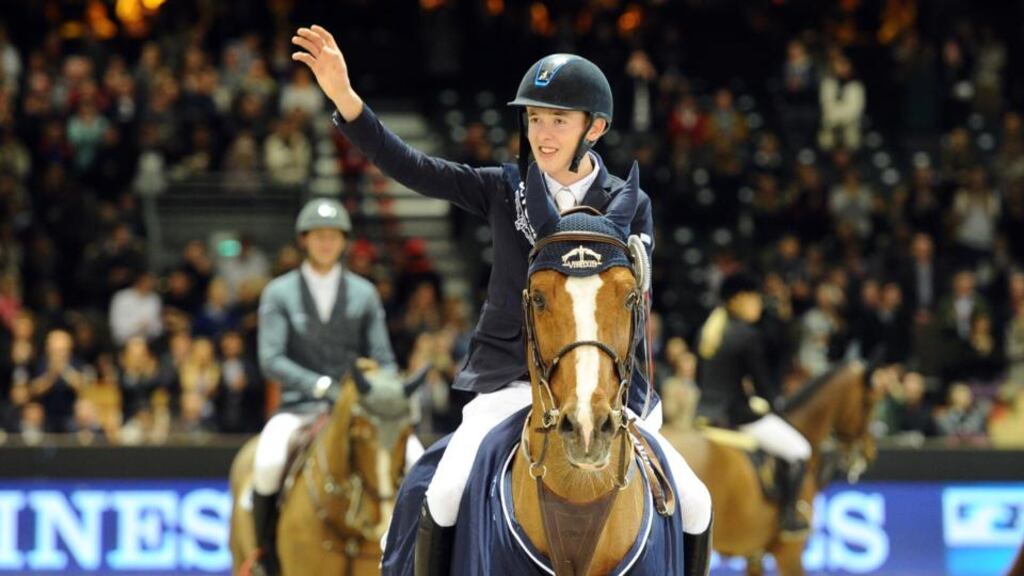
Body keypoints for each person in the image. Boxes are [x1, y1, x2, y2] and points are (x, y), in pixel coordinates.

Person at [290, 25, 712, 574]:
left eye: (558, 120)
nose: (542, 134)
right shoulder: (504, 188)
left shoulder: (629, 203)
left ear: (595, 127)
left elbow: (630, 301)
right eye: (534, 118)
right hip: (512, 381)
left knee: (696, 503)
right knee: (442, 493)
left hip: (604, 389)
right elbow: (415, 168)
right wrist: (347, 101)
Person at [250, 197, 398, 575]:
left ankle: (409, 552)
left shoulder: (364, 293)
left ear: (344, 241)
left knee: (413, 457)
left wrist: (382, 392)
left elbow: (383, 357)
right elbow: (271, 359)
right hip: (300, 406)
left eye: (333, 236)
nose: (326, 243)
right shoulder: (279, 292)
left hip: (358, 411)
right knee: (267, 461)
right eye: (318, 236)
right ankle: (265, 555)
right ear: (304, 240)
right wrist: (321, 386)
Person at [696, 272, 812, 538]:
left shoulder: (707, 331)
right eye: (754, 299)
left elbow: (701, 380)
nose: (758, 305)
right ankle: (788, 517)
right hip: (736, 416)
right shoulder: (747, 335)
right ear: (738, 299)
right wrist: (776, 407)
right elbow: (763, 386)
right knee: (800, 450)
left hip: (704, 414)